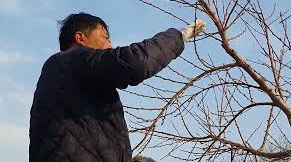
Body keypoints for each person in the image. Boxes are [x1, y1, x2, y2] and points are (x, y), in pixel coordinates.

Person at [29, 12, 206, 162]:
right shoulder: (70, 60)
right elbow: (136, 62)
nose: (110, 45)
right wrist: (178, 37)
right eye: (105, 37)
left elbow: (90, 142)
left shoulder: (69, 78)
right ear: (80, 38)